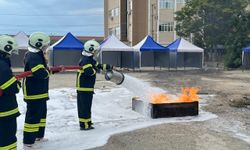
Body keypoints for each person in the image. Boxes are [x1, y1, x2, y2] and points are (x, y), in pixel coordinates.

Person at [22, 32, 60, 147]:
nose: (45, 47)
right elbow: (40, 72)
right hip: (34, 92)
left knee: (41, 115)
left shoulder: (37, 54)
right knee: (33, 116)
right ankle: (28, 141)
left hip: (40, 91)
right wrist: (47, 72)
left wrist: (54, 70)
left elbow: (44, 70)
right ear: (38, 44)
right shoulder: (33, 56)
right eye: (44, 45)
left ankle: (39, 135)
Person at [76, 40, 112, 130]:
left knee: (87, 106)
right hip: (84, 88)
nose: (96, 52)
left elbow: (98, 65)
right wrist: (96, 69)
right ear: (91, 50)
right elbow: (90, 72)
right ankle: (84, 125)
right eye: (95, 51)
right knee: (84, 107)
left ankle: (87, 122)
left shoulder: (89, 59)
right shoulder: (85, 60)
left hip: (87, 87)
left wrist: (107, 66)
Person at [0, 35, 21, 150]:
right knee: (7, 139)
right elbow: (11, 87)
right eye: (11, 51)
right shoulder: (2, 65)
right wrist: (17, 84)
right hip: (5, 111)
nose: (11, 54)